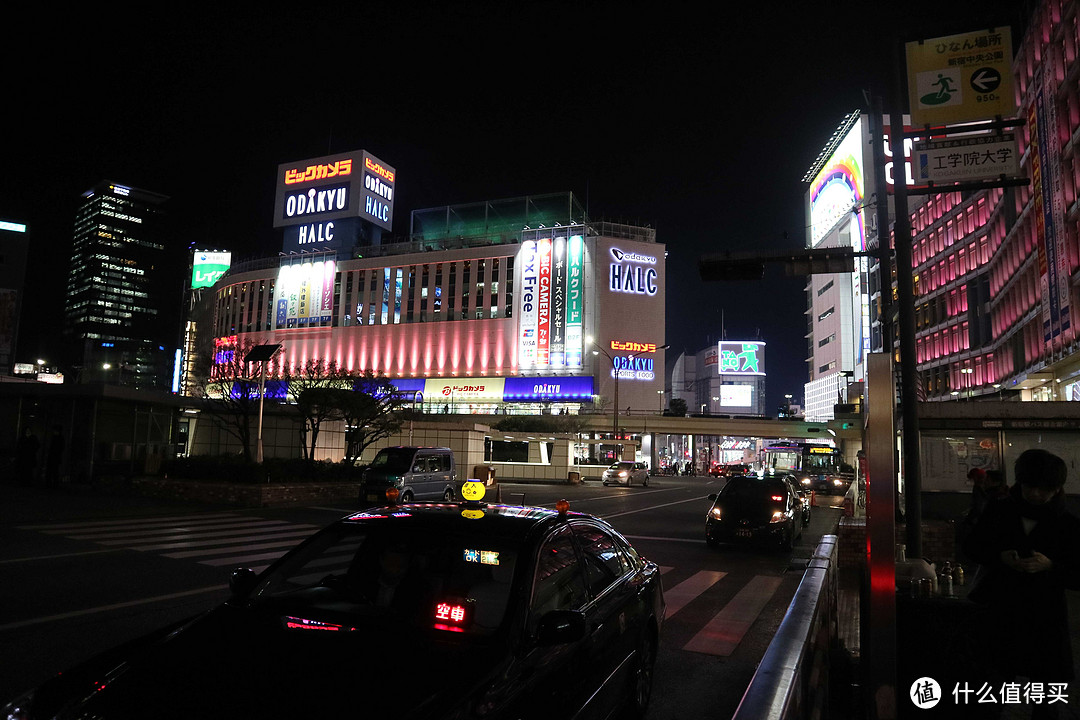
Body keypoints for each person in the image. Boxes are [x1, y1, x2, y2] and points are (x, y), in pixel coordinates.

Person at [962, 449, 1080, 718]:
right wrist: (999, 557)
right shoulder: (1000, 510)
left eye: (1046, 489)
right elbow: (971, 546)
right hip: (1001, 611)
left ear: (1058, 489)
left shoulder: (1068, 525)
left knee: (1047, 698)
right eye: (1031, 487)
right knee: (990, 688)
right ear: (1020, 483)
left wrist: (1050, 566)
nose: (1037, 494)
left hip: (1045, 618)